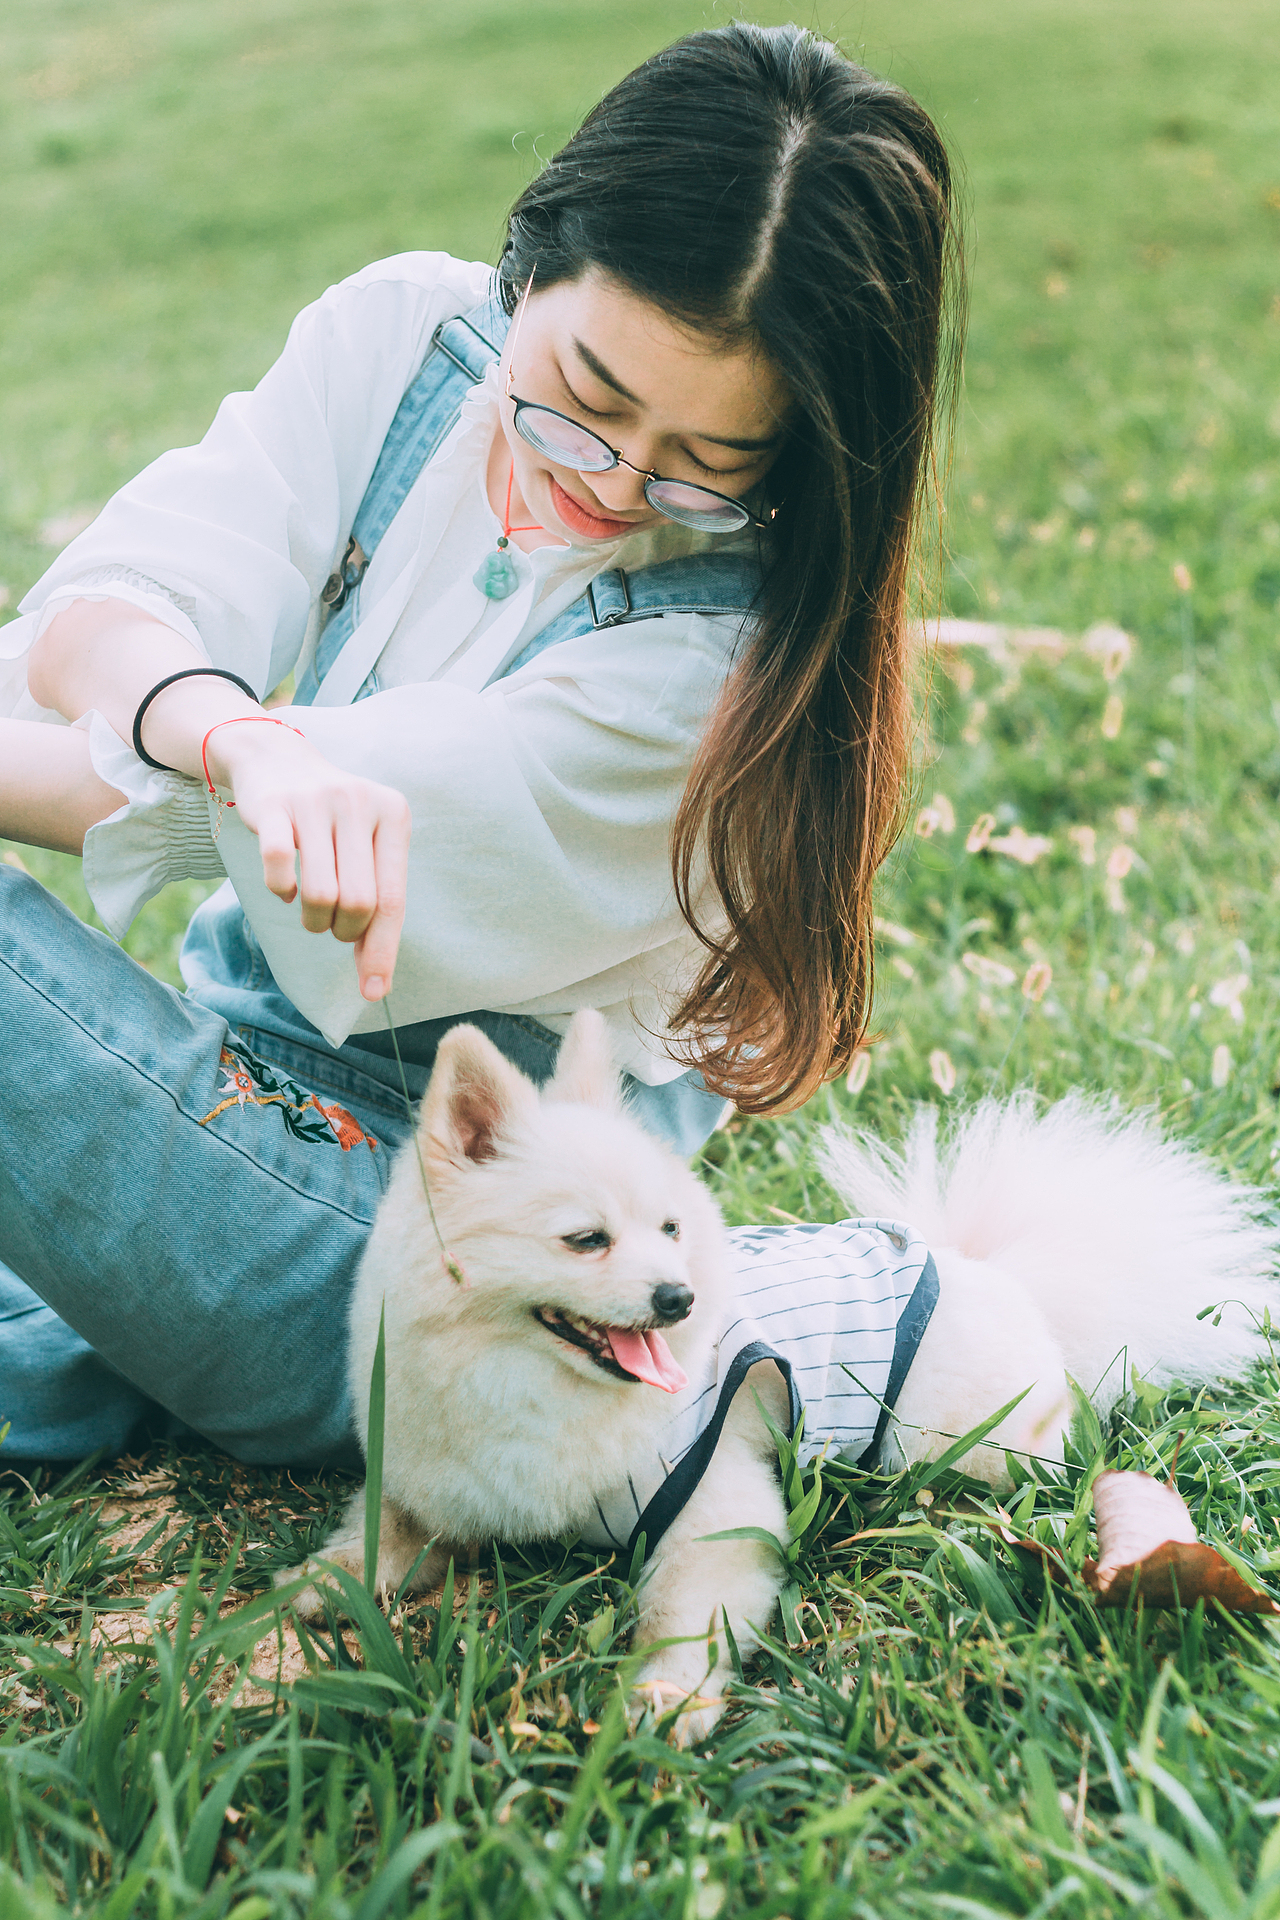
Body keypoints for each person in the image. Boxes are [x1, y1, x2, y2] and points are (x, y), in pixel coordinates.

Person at [0, 22, 961, 1465]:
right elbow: (111, 616)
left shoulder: (721, 681)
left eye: (709, 465)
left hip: (416, 1270)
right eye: (587, 396)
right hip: (224, 1091)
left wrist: (235, 762)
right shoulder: (405, 341)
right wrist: (236, 734)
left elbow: (138, 794)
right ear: (531, 259)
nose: (614, 485)